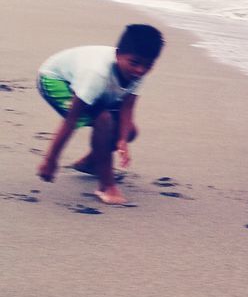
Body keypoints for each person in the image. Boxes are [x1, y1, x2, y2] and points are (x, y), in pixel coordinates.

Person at [36, 24, 164, 205]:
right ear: (118, 54)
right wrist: (51, 160)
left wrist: (122, 140)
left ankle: (89, 162)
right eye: (134, 63)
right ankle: (106, 185)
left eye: (148, 65)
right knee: (103, 120)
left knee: (130, 132)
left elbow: (127, 108)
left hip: (96, 87)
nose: (140, 71)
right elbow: (71, 121)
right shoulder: (96, 74)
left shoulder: (137, 71)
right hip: (56, 79)